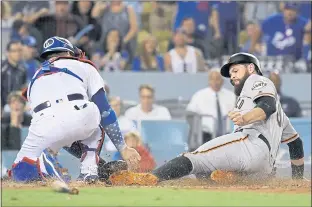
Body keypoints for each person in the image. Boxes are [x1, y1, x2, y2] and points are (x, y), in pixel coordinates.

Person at [109, 53, 305, 185]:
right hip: (263, 169)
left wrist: (246, 118)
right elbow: (296, 144)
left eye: (236, 70)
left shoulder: (258, 80)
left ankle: (149, 178)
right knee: (206, 175)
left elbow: (266, 106)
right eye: (230, 74)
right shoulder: (283, 117)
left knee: (191, 159)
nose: (232, 76)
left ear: (251, 68)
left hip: (250, 144)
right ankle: (233, 177)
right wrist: (297, 180)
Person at [9, 36, 140, 184]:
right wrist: (123, 148)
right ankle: (88, 172)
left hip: (41, 129)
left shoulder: (34, 78)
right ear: (69, 53)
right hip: (77, 116)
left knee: (19, 171)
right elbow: (105, 111)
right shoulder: (84, 66)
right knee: (94, 123)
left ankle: (42, 166)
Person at [187, 70, 236, 150]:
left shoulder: (231, 96)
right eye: (212, 79)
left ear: (223, 81)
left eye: (218, 79)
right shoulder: (199, 95)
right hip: (206, 136)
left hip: (228, 135)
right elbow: (190, 113)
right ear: (209, 81)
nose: (215, 82)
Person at [1, 40, 27, 106]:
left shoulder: (22, 69)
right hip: (4, 105)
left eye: (19, 50)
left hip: (17, 105)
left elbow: (23, 89)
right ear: (8, 52)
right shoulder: (2, 69)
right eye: (14, 51)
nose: (18, 53)